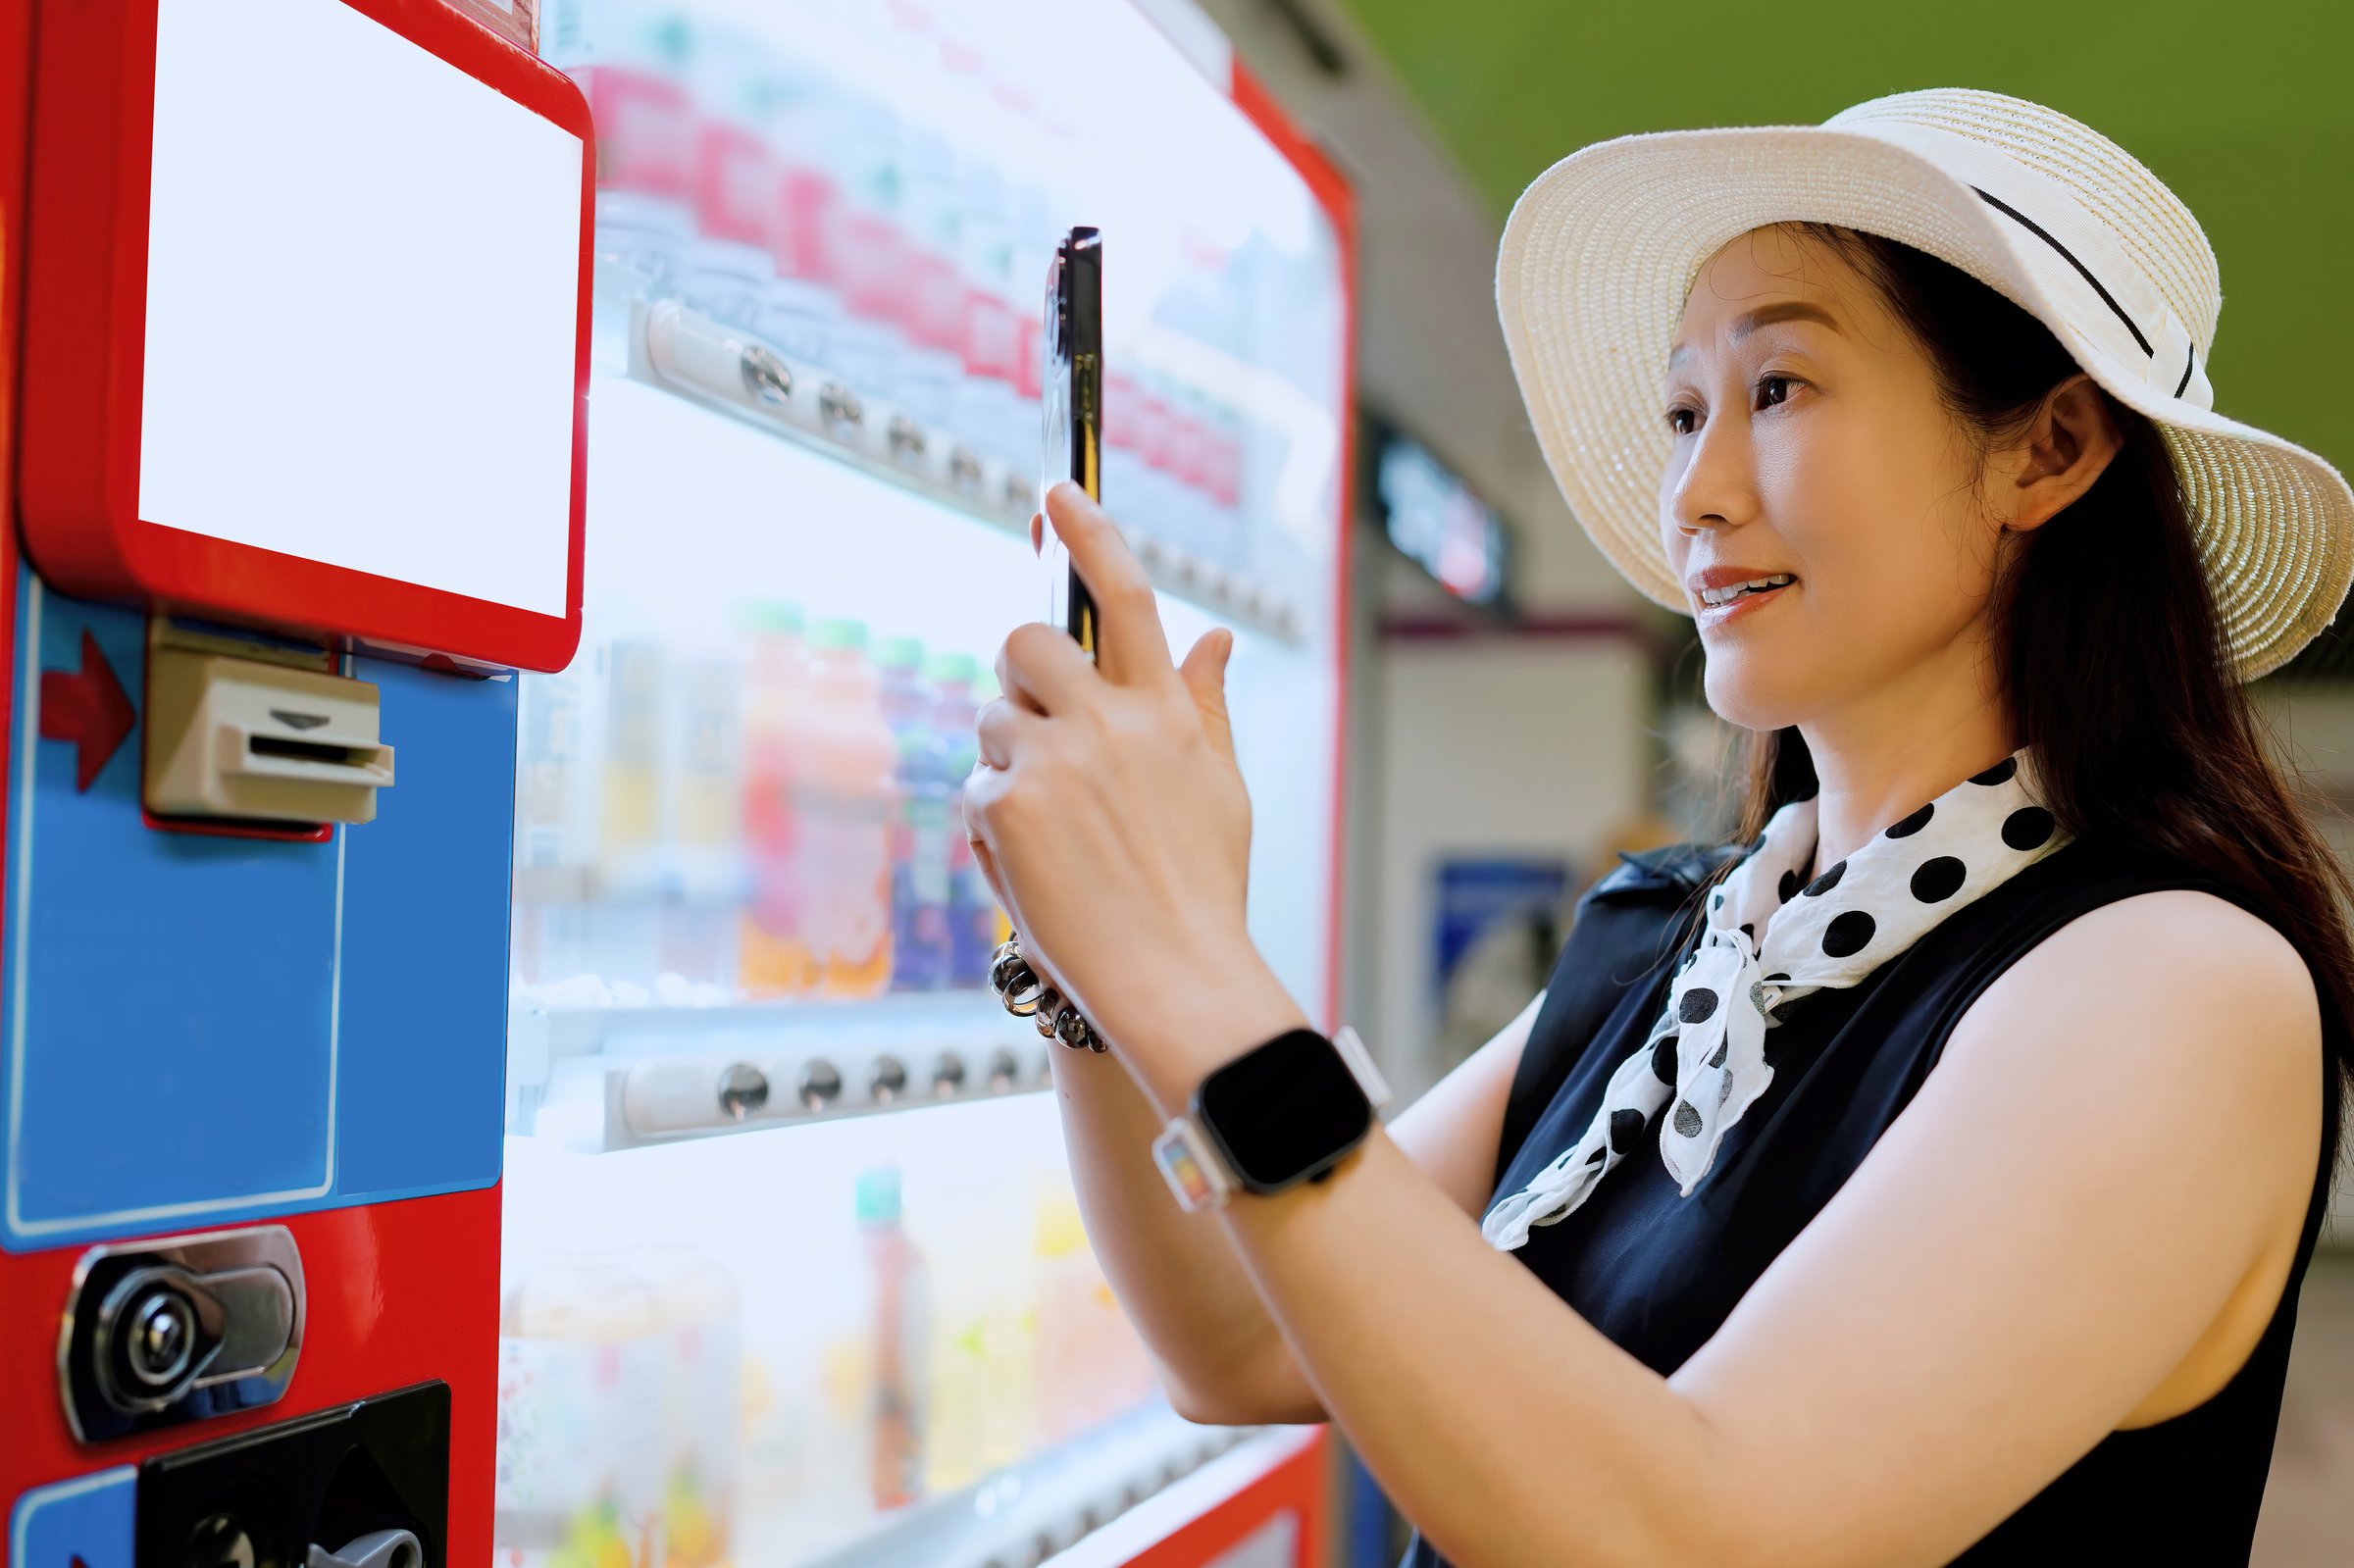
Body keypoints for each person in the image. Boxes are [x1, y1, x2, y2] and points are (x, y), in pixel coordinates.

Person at [961, 88, 2354, 1565]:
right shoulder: (1668, 942)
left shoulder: (2173, 986)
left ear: (2050, 449)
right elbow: (1232, 1338)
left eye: (1779, 390)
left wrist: (1186, 954)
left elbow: (1703, 1534)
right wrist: (1094, 968)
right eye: (1684, 411)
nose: (1695, 490)